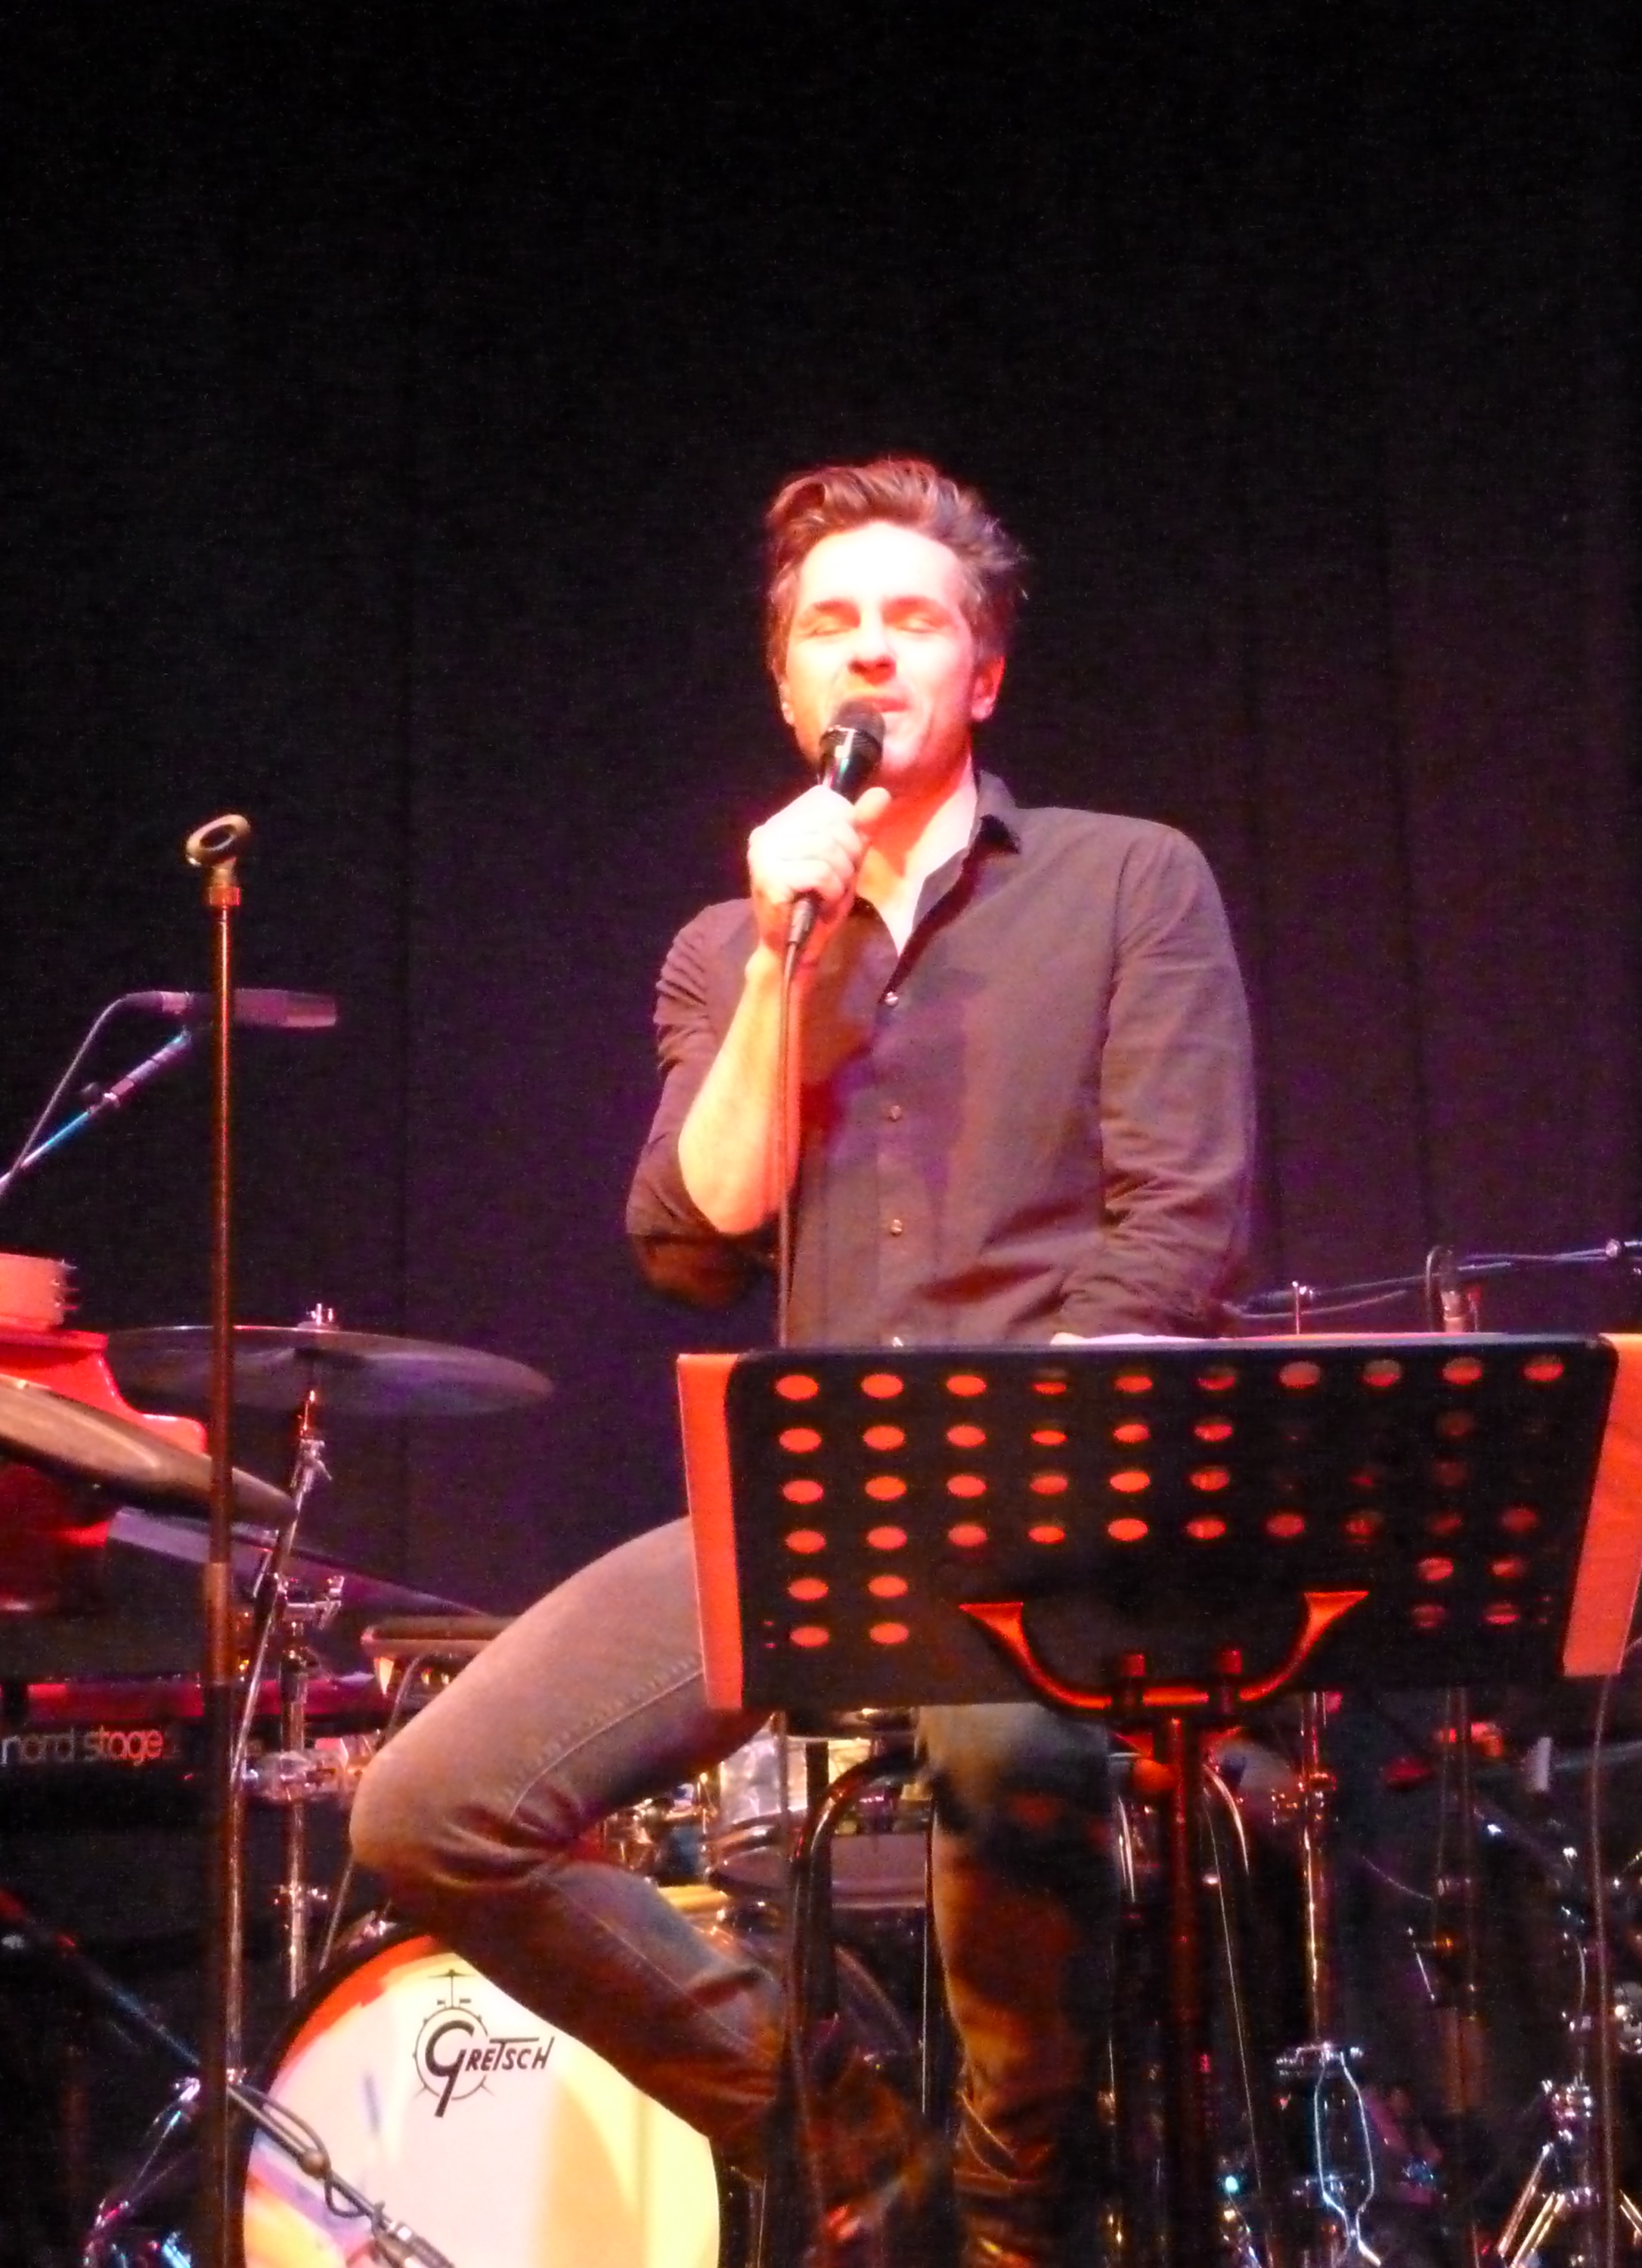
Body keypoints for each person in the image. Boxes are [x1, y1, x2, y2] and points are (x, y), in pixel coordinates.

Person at [352, 456, 1258, 2266]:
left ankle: (1012, 2213)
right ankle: (850, 2131)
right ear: (786, 689)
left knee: (1017, 1753)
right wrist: (785, 961)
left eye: (912, 619)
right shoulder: (730, 943)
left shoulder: (1128, 879)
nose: (870, 650)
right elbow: (691, 1237)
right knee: (428, 1813)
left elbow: (1179, 1228)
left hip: (1053, 1482)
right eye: (830, 625)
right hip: (817, 1500)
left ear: (981, 673)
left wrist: (1029, 1473)